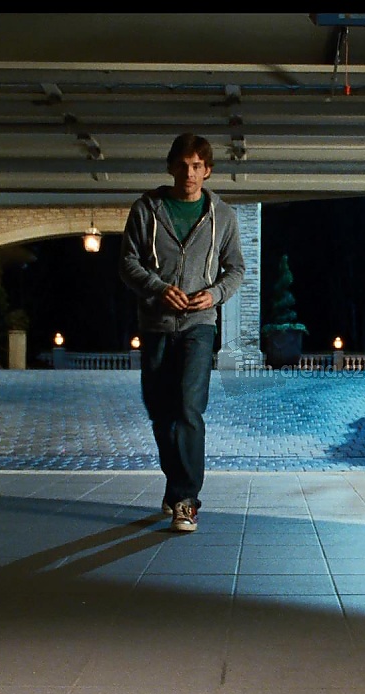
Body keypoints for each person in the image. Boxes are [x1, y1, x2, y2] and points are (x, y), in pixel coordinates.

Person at [119, 133, 246, 533]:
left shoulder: (223, 216)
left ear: (207, 171)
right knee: (161, 413)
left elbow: (236, 268)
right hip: (155, 324)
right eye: (183, 165)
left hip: (198, 325)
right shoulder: (146, 209)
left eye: (197, 166)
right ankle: (175, 485)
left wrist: (215, 294)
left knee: (189, 408)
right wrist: (158, 289)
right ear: (171, 167)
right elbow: (128, 262)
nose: (189, 173)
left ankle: (186, 500)